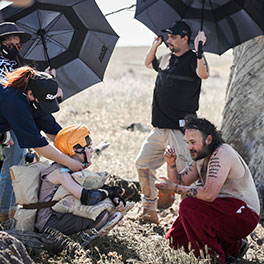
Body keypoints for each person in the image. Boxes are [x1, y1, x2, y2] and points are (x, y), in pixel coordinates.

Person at [155, 115, 260, 264]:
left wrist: (175, 188)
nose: (189, 147)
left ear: (208, 140)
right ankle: (234, 248)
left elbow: (209, 194)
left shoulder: (222, 153)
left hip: (244, 214)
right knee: (176, 239)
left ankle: (212, 259)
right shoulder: (201, 157)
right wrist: (171, 164)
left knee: (189, 206)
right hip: (220, 211)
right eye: (187, 143)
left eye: (193, 142)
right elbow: (179, 182)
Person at [135, 20, 209, 224]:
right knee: (143, 164)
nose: (169, 40)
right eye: (168, 36)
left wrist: (200, 51)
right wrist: (155, 46)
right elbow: (149, 64)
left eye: (173, 37)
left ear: (185, 38)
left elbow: (204, 74)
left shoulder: (194, 59)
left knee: (187, 176)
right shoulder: (166, 57)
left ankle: (188, 219)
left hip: (181, 131)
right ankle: (149, 210)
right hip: (159, 127)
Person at [0, 66, 84, 222]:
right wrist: (69, 162)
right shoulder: (14, 100)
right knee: (11, 167)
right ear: (30, 94)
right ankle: (3, 218)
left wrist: (76, 152)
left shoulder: (36, 98)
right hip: (4, 129)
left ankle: (8, 213)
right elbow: (38, 144)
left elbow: (54, 132)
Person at [0, 22, 57, 222]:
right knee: (10, 169)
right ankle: (4, 216)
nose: (15, 43)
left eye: (17, 40)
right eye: (10, 40)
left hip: (19, 119)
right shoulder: (1, 65)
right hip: (8, 124)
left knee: (19, 166)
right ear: (1, 42)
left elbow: (32, 95)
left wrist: (47, 80)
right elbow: (10, 95)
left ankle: (11, 211)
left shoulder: (18, 63)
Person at [35, 124, 127, 239]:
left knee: (106, 208)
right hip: (48, 223)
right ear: (76, 150)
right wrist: (111, 192)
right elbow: (89, 197)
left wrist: (115, 197)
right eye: (88, 147)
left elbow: (93, 186)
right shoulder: (61, 172)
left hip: (59, 216)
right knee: (102, 216)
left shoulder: (69, 168)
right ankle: (79, 241)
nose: (92, 150)